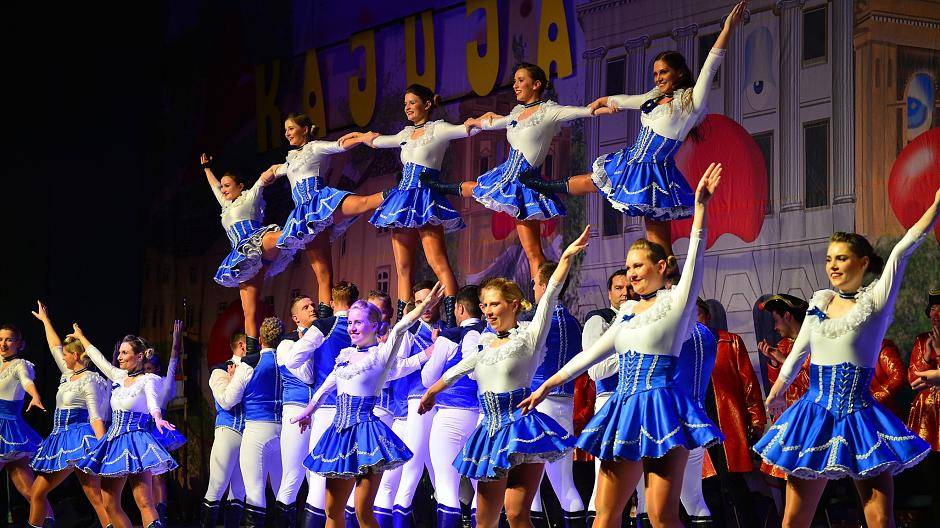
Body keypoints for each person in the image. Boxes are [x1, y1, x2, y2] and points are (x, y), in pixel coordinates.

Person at [519, 163, 725, 528]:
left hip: (663, 408)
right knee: (605, 515)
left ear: (662, 266)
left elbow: (696, 259)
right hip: (625, 408)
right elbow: (589, 357)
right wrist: (547, 385)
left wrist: (700, 209)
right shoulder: (626, 312)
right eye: (628, 267)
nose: (632, 273)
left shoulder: (677, 304)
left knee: (661, 515)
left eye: (639, 266)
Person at [755, 188, 940, 527]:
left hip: (860, 416)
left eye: (841, 258)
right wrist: (777, 391)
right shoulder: (820, 302)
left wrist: (937, 204)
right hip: (814, 415)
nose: (833, 265)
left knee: (879, 518)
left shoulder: (876, 301)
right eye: (829, 259)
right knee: (794, 519)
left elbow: (903, 249)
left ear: (863, 262)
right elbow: (798, 353)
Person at [419, 227, 591, 528]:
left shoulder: (530, 337)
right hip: (490, 432)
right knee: (484, 520)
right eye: (484, 305)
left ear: (513, 305)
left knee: (516, 513)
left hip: (523, 429)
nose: (487, 311)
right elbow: (459, 369)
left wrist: (565, 257)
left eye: (494, 304)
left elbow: (550, 295)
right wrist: (432, 391)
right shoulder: (485, 344)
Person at [561, 1, 746, 256]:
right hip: (636, 165)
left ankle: (673, 282)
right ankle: (544, 186)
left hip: (656, 174)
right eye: (656, 73)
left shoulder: (690, 101)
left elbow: (710, 67)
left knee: (659, 245)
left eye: (664, 72)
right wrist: (605, 100)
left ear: (679, 73)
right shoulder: (654, 98)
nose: (658, 78)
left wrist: (727, 29)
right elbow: (628, 100)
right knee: (594, 183)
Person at [291, 284, 445, 528]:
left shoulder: (381, 355)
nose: (352, 328)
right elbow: (326, 387)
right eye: (350, 322)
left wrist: (424, 306)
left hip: (366, 435)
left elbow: (402, 328)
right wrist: (308, 412)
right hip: (339, 435)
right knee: (332, 510)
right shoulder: (344, 355)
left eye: (358, 323)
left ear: (374, 325)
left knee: (363, 510)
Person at [461, 66, 602, 280]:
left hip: (526, 184)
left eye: (520, 80)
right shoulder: (517, 113)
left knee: (534, 254)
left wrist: (605, 106)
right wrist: (476, 121)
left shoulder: (548, 111)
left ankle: (545, 295)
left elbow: (582, 111)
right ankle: (542, 293)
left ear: (536, 85)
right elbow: (496, 122)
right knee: (531, 252)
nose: (515, 86)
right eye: (514, 81)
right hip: (507, 179)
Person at [364, 84, 477, 326]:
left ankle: (451, 321)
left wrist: (483, 121)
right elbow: (378, 141)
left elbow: (466, 129)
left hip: (425, 199)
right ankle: (404, 324)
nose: (407, 107)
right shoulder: (405, 134)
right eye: (405, 103)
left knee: (438, 262)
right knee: (403, 268)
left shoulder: (438, 129)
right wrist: (360, 137)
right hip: (403, 200)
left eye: (412, 102)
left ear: (427, 105)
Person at [263, 114, 381, 318]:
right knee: (323, 275)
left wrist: (362, 137)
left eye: (291, 128)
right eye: (285, 130)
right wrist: (269, 173)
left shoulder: (315, 147)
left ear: (305, 129)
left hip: (320, 203)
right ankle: (325, 320)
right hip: (304, 216)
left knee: (364, 202)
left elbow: (340, 145)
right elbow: (277, 171)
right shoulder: (291, 159)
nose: (287, 133)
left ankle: (399, 194)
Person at [71, 326, 178, 528]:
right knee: (109, 503)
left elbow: (153, 402)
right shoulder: (119, 376)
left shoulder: (148, 380)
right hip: (114, 440)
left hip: (136, 440)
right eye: (119, 352)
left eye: (125, 353)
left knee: (144, 501)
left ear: (139, 356)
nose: (119, 357)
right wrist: (81, 337)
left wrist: (157, 418)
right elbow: (99, 360)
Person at [277, 282, 358, 528]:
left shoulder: (322, 329)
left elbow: (300, 364)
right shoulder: (360, 327)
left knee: (318, 478)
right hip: (318, 410)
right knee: (303, 476)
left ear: (331, 303)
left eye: (313, 305)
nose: (313, 308)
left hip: (322, 409)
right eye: (306, 307)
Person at [202, 154, 294, 355]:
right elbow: (214, 186)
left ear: (240, 186)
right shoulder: (226, 205)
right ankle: (252, 355)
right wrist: (207, 168)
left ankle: (305, 229)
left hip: (257, 241)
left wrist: (291, 165)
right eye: (223, 187)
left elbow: (264, 178)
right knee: (249, 311)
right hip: (244, 259)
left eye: (227, 186)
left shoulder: (250, 196)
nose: (223, 189)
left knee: (279, 236)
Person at [420, 285, 486, 528]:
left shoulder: (450, 336)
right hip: (483, 417)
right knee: (482, 490)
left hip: (450, 417)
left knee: (447, 487)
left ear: (460, 309)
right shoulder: (490, 334)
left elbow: (428, 378)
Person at [526, 262, 586, 528]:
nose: (533, 289)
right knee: (565, 484)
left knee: (531, 486)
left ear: (545, 286)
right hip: (565, 404)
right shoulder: (573, 323)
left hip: (538, 404)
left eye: (535, 284)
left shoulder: (538, 323)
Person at [214, 317, 285, 527]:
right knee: (283, 492)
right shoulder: (287, 359)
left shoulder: (249, 364)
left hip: (256, 430)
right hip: (283, 431)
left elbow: (228, 400)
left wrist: (233, 379)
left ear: (260, 340)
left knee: (254, 492)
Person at [581, 270, 631, 524]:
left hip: (638, 402)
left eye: (629, 287)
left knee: (642, 480)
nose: (625, 293)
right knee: (605, 476)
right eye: (619, 288)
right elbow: (595, 370)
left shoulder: (644, 316)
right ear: (609, 292)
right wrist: (630, 354)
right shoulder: (598, 319)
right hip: (610, 400)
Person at [202, 332, 248, 528]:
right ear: (241, 345)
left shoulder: (253, 369)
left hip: (249, 434)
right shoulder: (220, 370)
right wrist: (234, 380)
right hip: (228, 430)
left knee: (239, 490)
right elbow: (225, 401)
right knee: (217, 485)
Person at [145, 321, 187, 527]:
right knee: (146, 478)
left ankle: (161, 517)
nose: (147, 372)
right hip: (142, 432)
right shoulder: (142, 383)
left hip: (157, 432)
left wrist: (176, 342)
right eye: (144, 369)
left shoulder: (164, 383)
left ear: (157, 369)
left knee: (158, 477)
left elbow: (173, 361)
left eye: (150, 368)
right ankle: (151, 516)